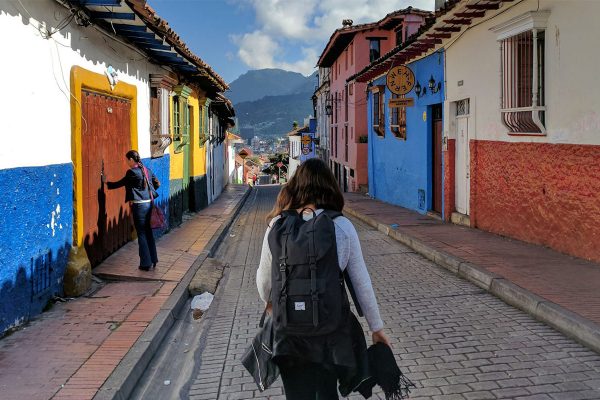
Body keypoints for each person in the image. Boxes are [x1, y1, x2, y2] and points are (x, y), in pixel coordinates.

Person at [256, 158, 390, 399]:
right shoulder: (342, 226)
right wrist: (376, 328)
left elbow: (264, 281)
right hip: (330, 333)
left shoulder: (277, 224)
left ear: (295, 186)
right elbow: (361, 284)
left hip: (289, 333)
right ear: (330, 186)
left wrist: (270, 303)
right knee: (327, 392)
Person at [103, 150, 159, 271]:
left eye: (127, 160)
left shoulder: (132, 172)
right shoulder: (146, 170)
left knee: (142, 234)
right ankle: (153, 259)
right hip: (149, 203)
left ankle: (145, 263)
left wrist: (106, 183)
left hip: (139, 206)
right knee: (148, 232)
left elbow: (121, 183)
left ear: (131, 160)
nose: (126, 162)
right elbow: (156, 183)